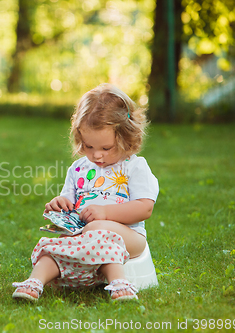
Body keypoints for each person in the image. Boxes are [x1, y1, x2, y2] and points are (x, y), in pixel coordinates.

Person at [12, 83, 159, 302]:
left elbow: (144, 208)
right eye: (89, 146)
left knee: (97, 228)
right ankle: (34, 283)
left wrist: (106, 214)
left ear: (126, 137)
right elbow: (69, 201)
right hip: (81, 236)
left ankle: (120, 283)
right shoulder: (79, 169)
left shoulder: (133, 167)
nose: (96, 155)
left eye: (105, 148)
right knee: (55, 246)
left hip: (129, 237)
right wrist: (60, 203)